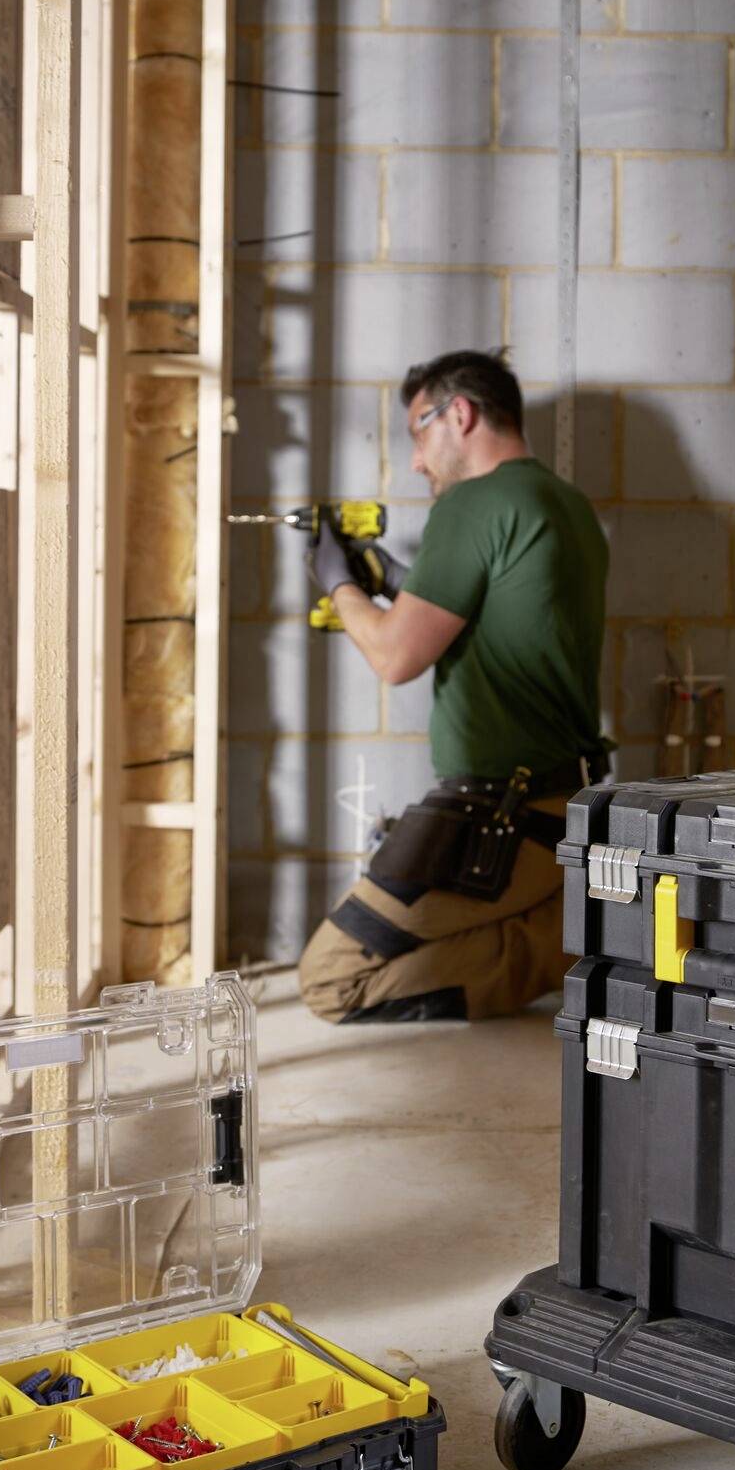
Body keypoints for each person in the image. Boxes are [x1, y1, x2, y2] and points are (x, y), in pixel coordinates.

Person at [296, 348, 609, 1023]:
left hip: (499, 817)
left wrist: (337, 581)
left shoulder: (472, 504)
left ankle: (560, 943)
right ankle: (571, 925)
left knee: (330, 981)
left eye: (417, 431)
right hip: (569, 807)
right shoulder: (566, 506)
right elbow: (508, 618)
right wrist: (399, 581)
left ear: (458, 413)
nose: (416, 460)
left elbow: (394, 656)